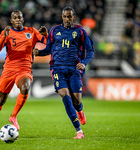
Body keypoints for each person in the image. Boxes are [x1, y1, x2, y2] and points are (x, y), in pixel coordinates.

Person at [33, 6, 94, 139]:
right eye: (65, 16)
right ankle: (79, 131)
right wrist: (39, 52)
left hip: (74, 69)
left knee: (76, 102)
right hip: (57, 68)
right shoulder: (54, 31)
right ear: (62, 17)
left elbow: (90, 51)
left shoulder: (81, 31)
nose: (67, 19)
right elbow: (49, 49)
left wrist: (83, 63)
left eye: (69, 16)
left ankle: (80, 110)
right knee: (65, 97)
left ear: (74, 17)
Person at [0, 10, 48, 135]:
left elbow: (47, 43)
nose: (18, 19)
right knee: (0, 101)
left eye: (20, 17)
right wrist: (4, 36)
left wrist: (46, 36)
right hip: (9, 69)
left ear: (23, 19)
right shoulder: (6, 32)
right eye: (15, 18)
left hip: (24, 68)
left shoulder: (31, 31)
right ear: (11, 20)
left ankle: (13, 116)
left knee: (25, 88)